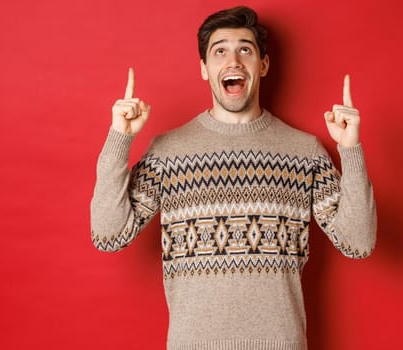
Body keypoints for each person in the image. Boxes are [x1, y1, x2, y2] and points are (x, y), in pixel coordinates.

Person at [89, 6, 376, 350]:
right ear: (204, 69)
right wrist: (119, 137)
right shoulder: (168, 152)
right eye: (220, 50)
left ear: (263, 65)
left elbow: (358, 244)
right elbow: (108, 236)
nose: (234, 61)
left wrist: (351, 149)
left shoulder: (304, 152)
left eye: (245, 49)